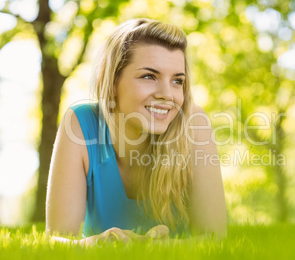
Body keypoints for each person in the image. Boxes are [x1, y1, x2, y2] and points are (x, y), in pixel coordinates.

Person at [45, 18, 227, 245]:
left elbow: (214, 240)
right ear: (112, 82)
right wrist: (97, 244)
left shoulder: (194, 124)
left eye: (177, 81)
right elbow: (57, 241)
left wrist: (160, 248)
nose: (167, 94)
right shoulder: (81, 124)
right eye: (149, 76)